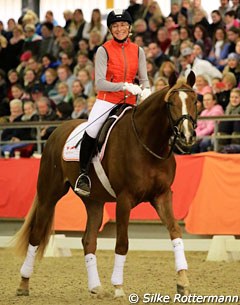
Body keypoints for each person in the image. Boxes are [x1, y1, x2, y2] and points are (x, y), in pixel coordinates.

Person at [74, 9, 151, 197]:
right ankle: (83, 175)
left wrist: (147, 90)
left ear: (129, 27)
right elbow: (99, 82)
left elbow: (144, 78)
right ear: (110, 29)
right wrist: (124, 86)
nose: (119, 29)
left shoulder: (138, 50)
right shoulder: (103, 50)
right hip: (107, 100)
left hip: (131, 101)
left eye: (123, 25)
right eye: (115, 26)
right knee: (92, 129)